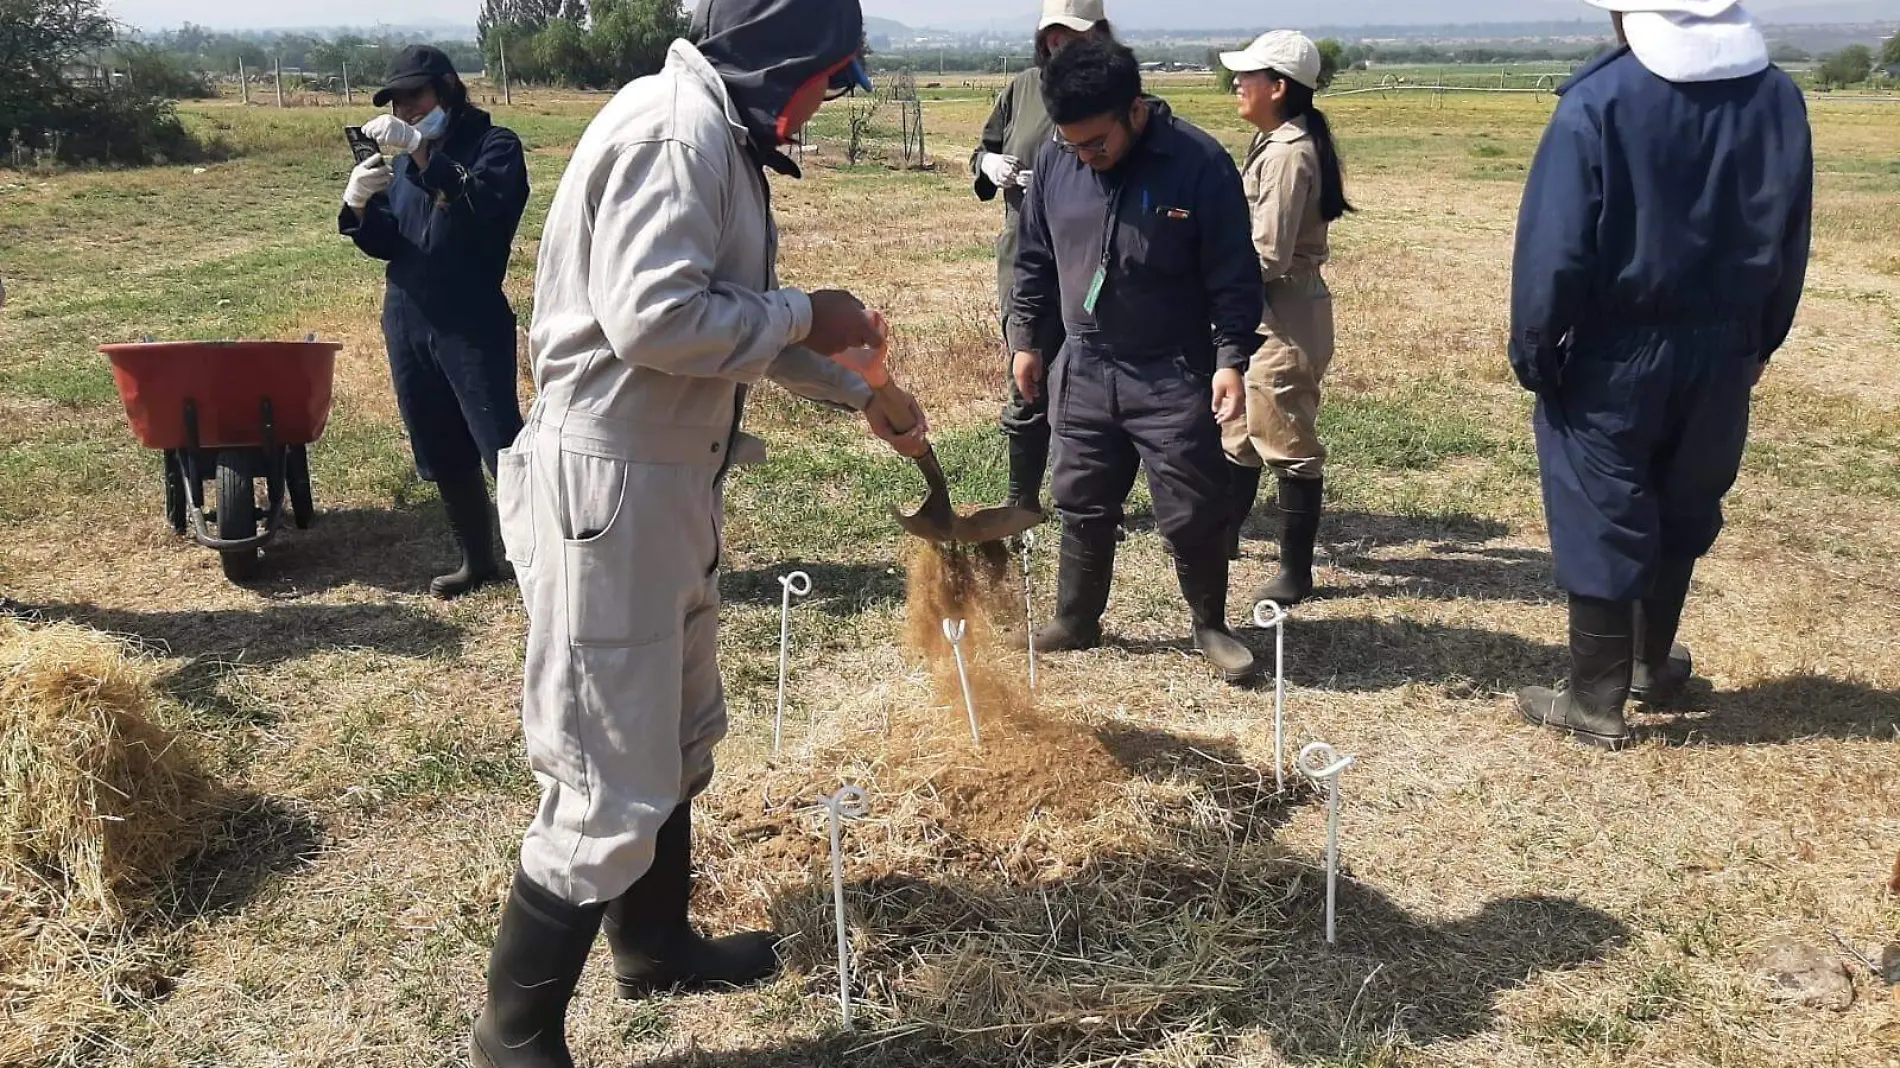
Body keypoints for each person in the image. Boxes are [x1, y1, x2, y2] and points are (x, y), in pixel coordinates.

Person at [469, 1, 930, 1065]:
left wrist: (855, 390)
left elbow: (724, 318)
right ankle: (512, 1041)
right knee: (603, 773)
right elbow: (657, 321)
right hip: (607, 490)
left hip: (662, 480)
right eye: (831, 78)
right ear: (784, 58)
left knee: (672, 737)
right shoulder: (673, 134)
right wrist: (808, 311)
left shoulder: (711, 130)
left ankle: (655, 944)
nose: (825, 102)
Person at [1511, 0, 1811, 749]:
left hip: (1617, 343)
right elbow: (1791, 228)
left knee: (1602, 505)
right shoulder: (1777, 96)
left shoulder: (1599, 99)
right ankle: (1648, 663)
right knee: (1686, 496)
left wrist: (1537, 350)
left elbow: (1557, 245)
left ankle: (1595, 699)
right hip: (1726, 344)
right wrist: (1761, 339)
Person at [1011, 39, 1265, 684]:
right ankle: (1076, 618)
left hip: (1172, 369)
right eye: (1073, 146)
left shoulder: (1199, 162)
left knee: (1191, 508)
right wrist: (1025, 339)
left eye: (1096, 142)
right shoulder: (1055, 160)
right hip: (1083, 367)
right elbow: (1033, 257)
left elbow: (1234, 274)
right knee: (1080, 498)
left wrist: (1230, 357)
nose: (1085, 157)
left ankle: (1210, 623)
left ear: (1135, 111)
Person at [340, 45, 529, 599]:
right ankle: (478, 559)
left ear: (447, 86)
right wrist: (358, 208)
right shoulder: (402, 163)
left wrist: (424, 154)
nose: (407, 110)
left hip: (468, 316)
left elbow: (483, 208)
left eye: (415, 96)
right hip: (407, 315)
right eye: (397, 102)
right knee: (440, 443)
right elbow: (389, 243)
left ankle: (543, 561)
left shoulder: (496, 146)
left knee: (500, 444)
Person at [1218, 31, 1353, 609]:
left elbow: (1268, 253)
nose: (1238, 84)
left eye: (1249, 76)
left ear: (1278, 88)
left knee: (1286, 437)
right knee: (1242, 430)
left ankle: (1296, 573)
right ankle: (1219, 541)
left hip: (1283, 309)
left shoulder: (1288, 152)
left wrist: (1211, 274)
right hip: (1269, 307)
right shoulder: (1274, 141)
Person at [970, 0, 1115, 514]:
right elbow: (982, 149)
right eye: (1051, 34)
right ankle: (1022, 499)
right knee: (1026, 365)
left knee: (1092, 379)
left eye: (1070, 34)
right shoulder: (1023, 88)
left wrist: (1063, 184)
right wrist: (989, 165)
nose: (1059, 43)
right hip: (1025, 254)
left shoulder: (1119, 92)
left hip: (1091, 256)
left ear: (1097, 34)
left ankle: (1092, 500)